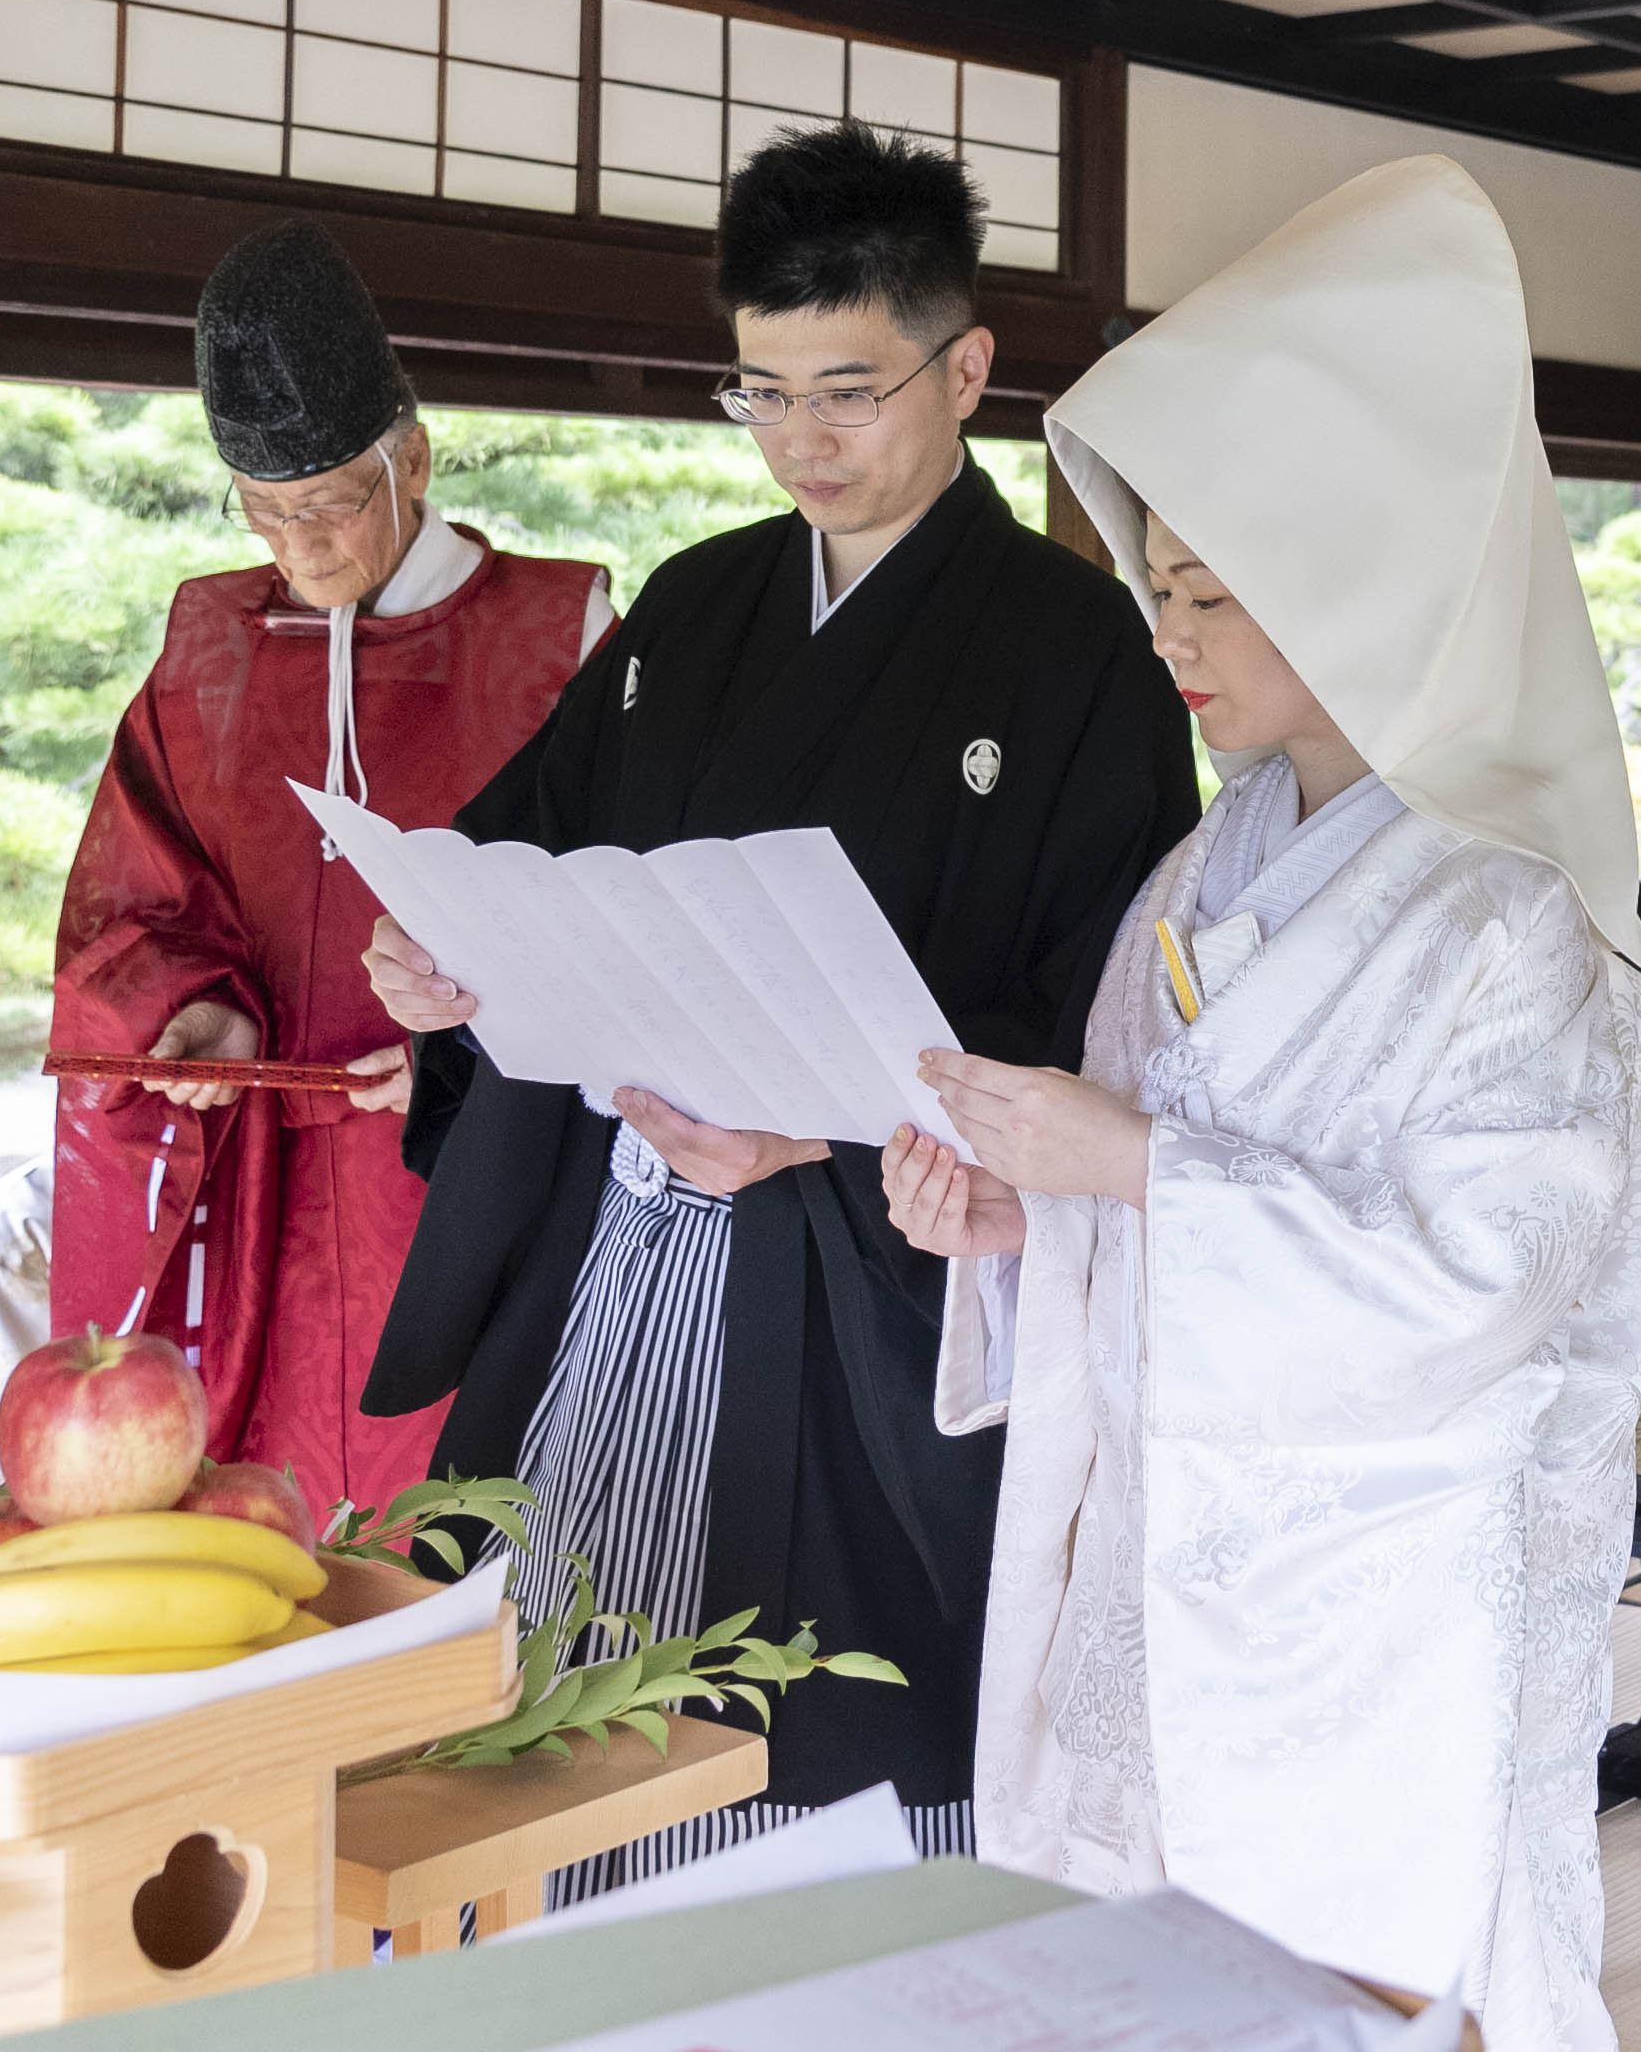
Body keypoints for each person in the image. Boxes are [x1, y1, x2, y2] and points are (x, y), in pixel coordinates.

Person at [357, 125, 1201, 1882]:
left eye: (848, 392)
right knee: (549, 1687)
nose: (804, 441)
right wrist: (439, 956)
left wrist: (819, 1130)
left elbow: (1100, 1015)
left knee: (828, 1727)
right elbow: (531, 851)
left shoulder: (1082, 652)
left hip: (869, 1279)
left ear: (965, 369)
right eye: (762, 393)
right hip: (627, 1227)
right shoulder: (696, 604)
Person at [890, 155, 1641, 2049]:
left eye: (1216, 594)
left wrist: (1135, 1162)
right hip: (1167, 1557)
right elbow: (1137, 1202)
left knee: (1363, 1983)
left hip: (1378, 1602)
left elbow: (1484, 1282)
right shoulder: (1195, 872)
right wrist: (1028, 1214)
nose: (1173, 637)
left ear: (1363, 593)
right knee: (1148, 1966)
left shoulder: (1516, 921)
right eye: (1159, 586)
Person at [45, 221, 612, 1525]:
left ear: (409, 458)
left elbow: (629, 909)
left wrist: (468, 1068)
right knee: (268, 1538)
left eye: (329, 504)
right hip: (269, 1197)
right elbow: (133, 896)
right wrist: (206, 1010)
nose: (297, 545)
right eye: (264, 510)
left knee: (477, 1531)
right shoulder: (210, 650)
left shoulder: (556, 632)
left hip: (480, 1174)